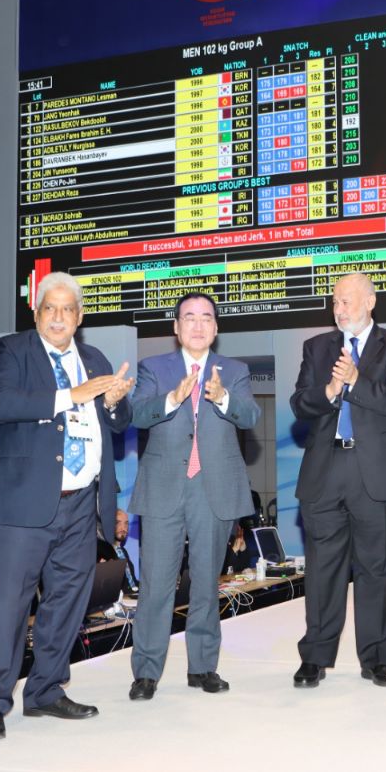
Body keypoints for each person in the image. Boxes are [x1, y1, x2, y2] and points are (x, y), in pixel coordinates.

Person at [0, 272, 133, 740]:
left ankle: (45, 690)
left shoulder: (95, 359)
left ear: (79, 317)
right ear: (37, 312)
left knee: (67, 601)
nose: (59, 317)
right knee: (8, 605)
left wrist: (115, 403)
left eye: (68, 309)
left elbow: (116, 422)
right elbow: (2, 403)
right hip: (22, 502)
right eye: (50, 308)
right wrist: (70, 396)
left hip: (82, 501)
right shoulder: (12, 350)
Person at [126, 291, 260, 701]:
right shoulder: (154, 368)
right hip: (164, 487)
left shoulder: (234, 371)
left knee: (205, 583)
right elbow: (137, 414)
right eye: (189, 317)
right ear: (176, 327)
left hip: (213, 488)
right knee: (156, 585)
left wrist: (222, 397)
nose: (198, 325)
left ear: (215, 328)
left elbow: (251, 416)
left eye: (205, 318)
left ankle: (203, 667)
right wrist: (172, 399)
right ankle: (146, 672)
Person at [290, 272, 386, 689]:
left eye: (346, 301)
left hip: (377, 473)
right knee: (322, 570)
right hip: (326, 471)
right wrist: (329, 389)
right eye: (335, 302)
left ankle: (377, 659)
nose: (339, 309)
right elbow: (300, 403)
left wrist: (357, 381)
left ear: (370, 302)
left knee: (379, 569)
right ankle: (315, 657)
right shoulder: (317, 347)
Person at [97, 508, 139, 596]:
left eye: (126, 523)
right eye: (118, 522)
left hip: (134, 596)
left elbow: (132, 583)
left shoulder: (123, 551)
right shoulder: (100, 552)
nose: (123, 528)